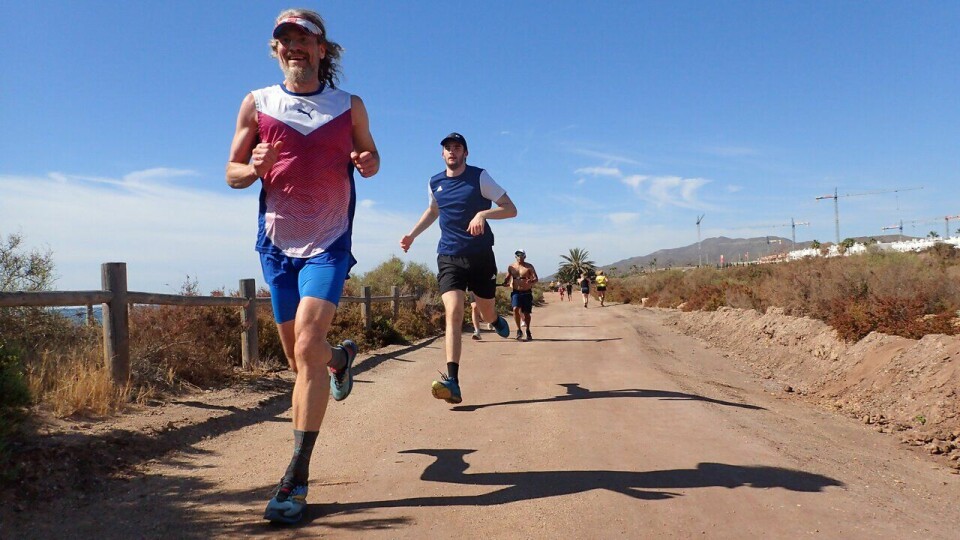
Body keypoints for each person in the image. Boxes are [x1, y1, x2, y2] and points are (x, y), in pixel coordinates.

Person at [225, 8, 380, 525]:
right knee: (301, 361)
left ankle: (295, 477)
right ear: (276, 51)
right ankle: (340, 359)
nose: (293, 47)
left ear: (321, 49)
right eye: (284, 40)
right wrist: (254, 168)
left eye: (303, 39)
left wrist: (365, 162)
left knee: (307, 346)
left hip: (329, 241)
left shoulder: (348, 105)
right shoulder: (258, 102)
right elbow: (231, 173)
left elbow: (372, 156)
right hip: (276, 245)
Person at [400, 132, 517, 404]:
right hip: (449, 255)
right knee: (453, 311)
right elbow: (433, 211)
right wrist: (412, 235)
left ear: (465, 153)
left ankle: (494, 319)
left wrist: (483, 214)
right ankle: (452, 381)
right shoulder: (435, 182)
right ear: (442, 154)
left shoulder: (479, 177)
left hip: (480, 256)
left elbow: (511, 209)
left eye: (457, 147)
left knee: (486, 311)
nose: (452, 152)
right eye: (447, 148)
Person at [504, 249, 538, 341]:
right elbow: (507, 277)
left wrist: (531, 281)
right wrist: (505, 281)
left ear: (525, 256)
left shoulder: (529, 267)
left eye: (521, 255)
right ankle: (519, 330)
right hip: (516, 292)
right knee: (515, 309)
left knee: (527, 313)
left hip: (526, 292)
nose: (520, 257)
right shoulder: (511, 267)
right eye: (518, 255)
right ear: (515, 257)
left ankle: (527, 330)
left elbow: (536, 279)